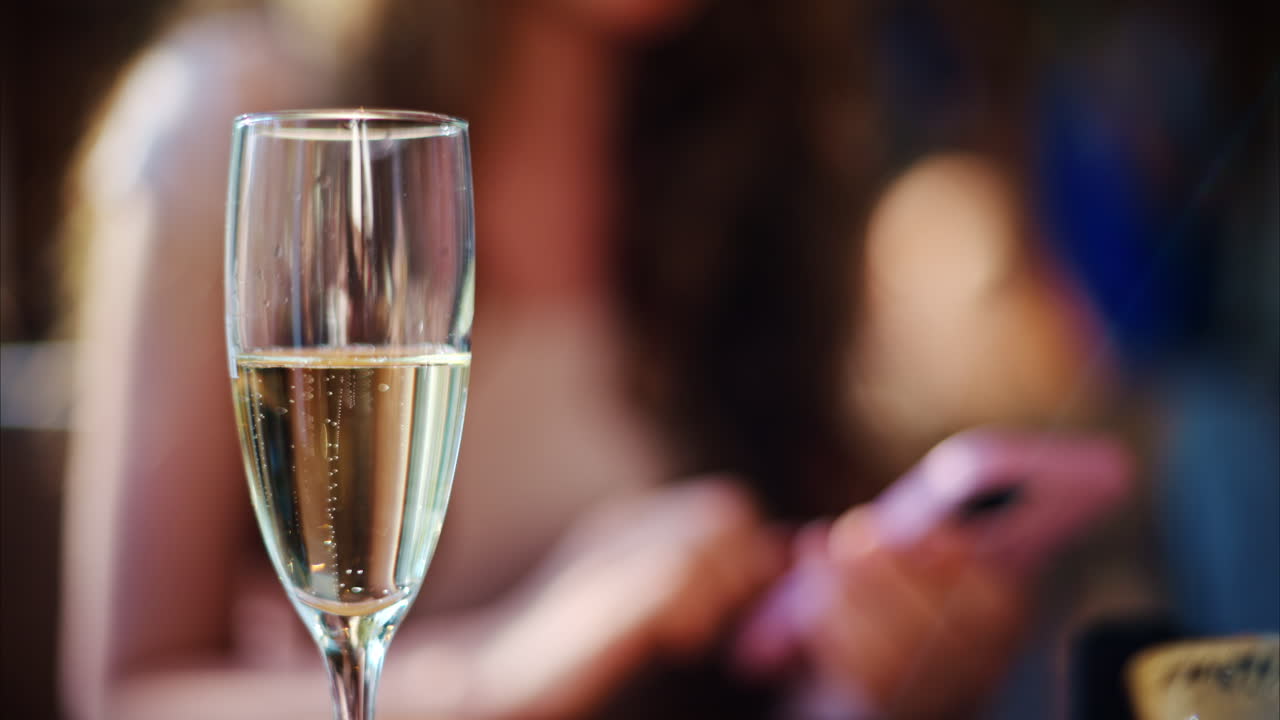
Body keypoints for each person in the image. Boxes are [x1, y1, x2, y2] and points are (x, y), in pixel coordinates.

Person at [60, 1, 1106, 718]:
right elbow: (124, 699)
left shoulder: (759, 157)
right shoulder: (232, 133)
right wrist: (509, 666)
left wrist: (872, 679)